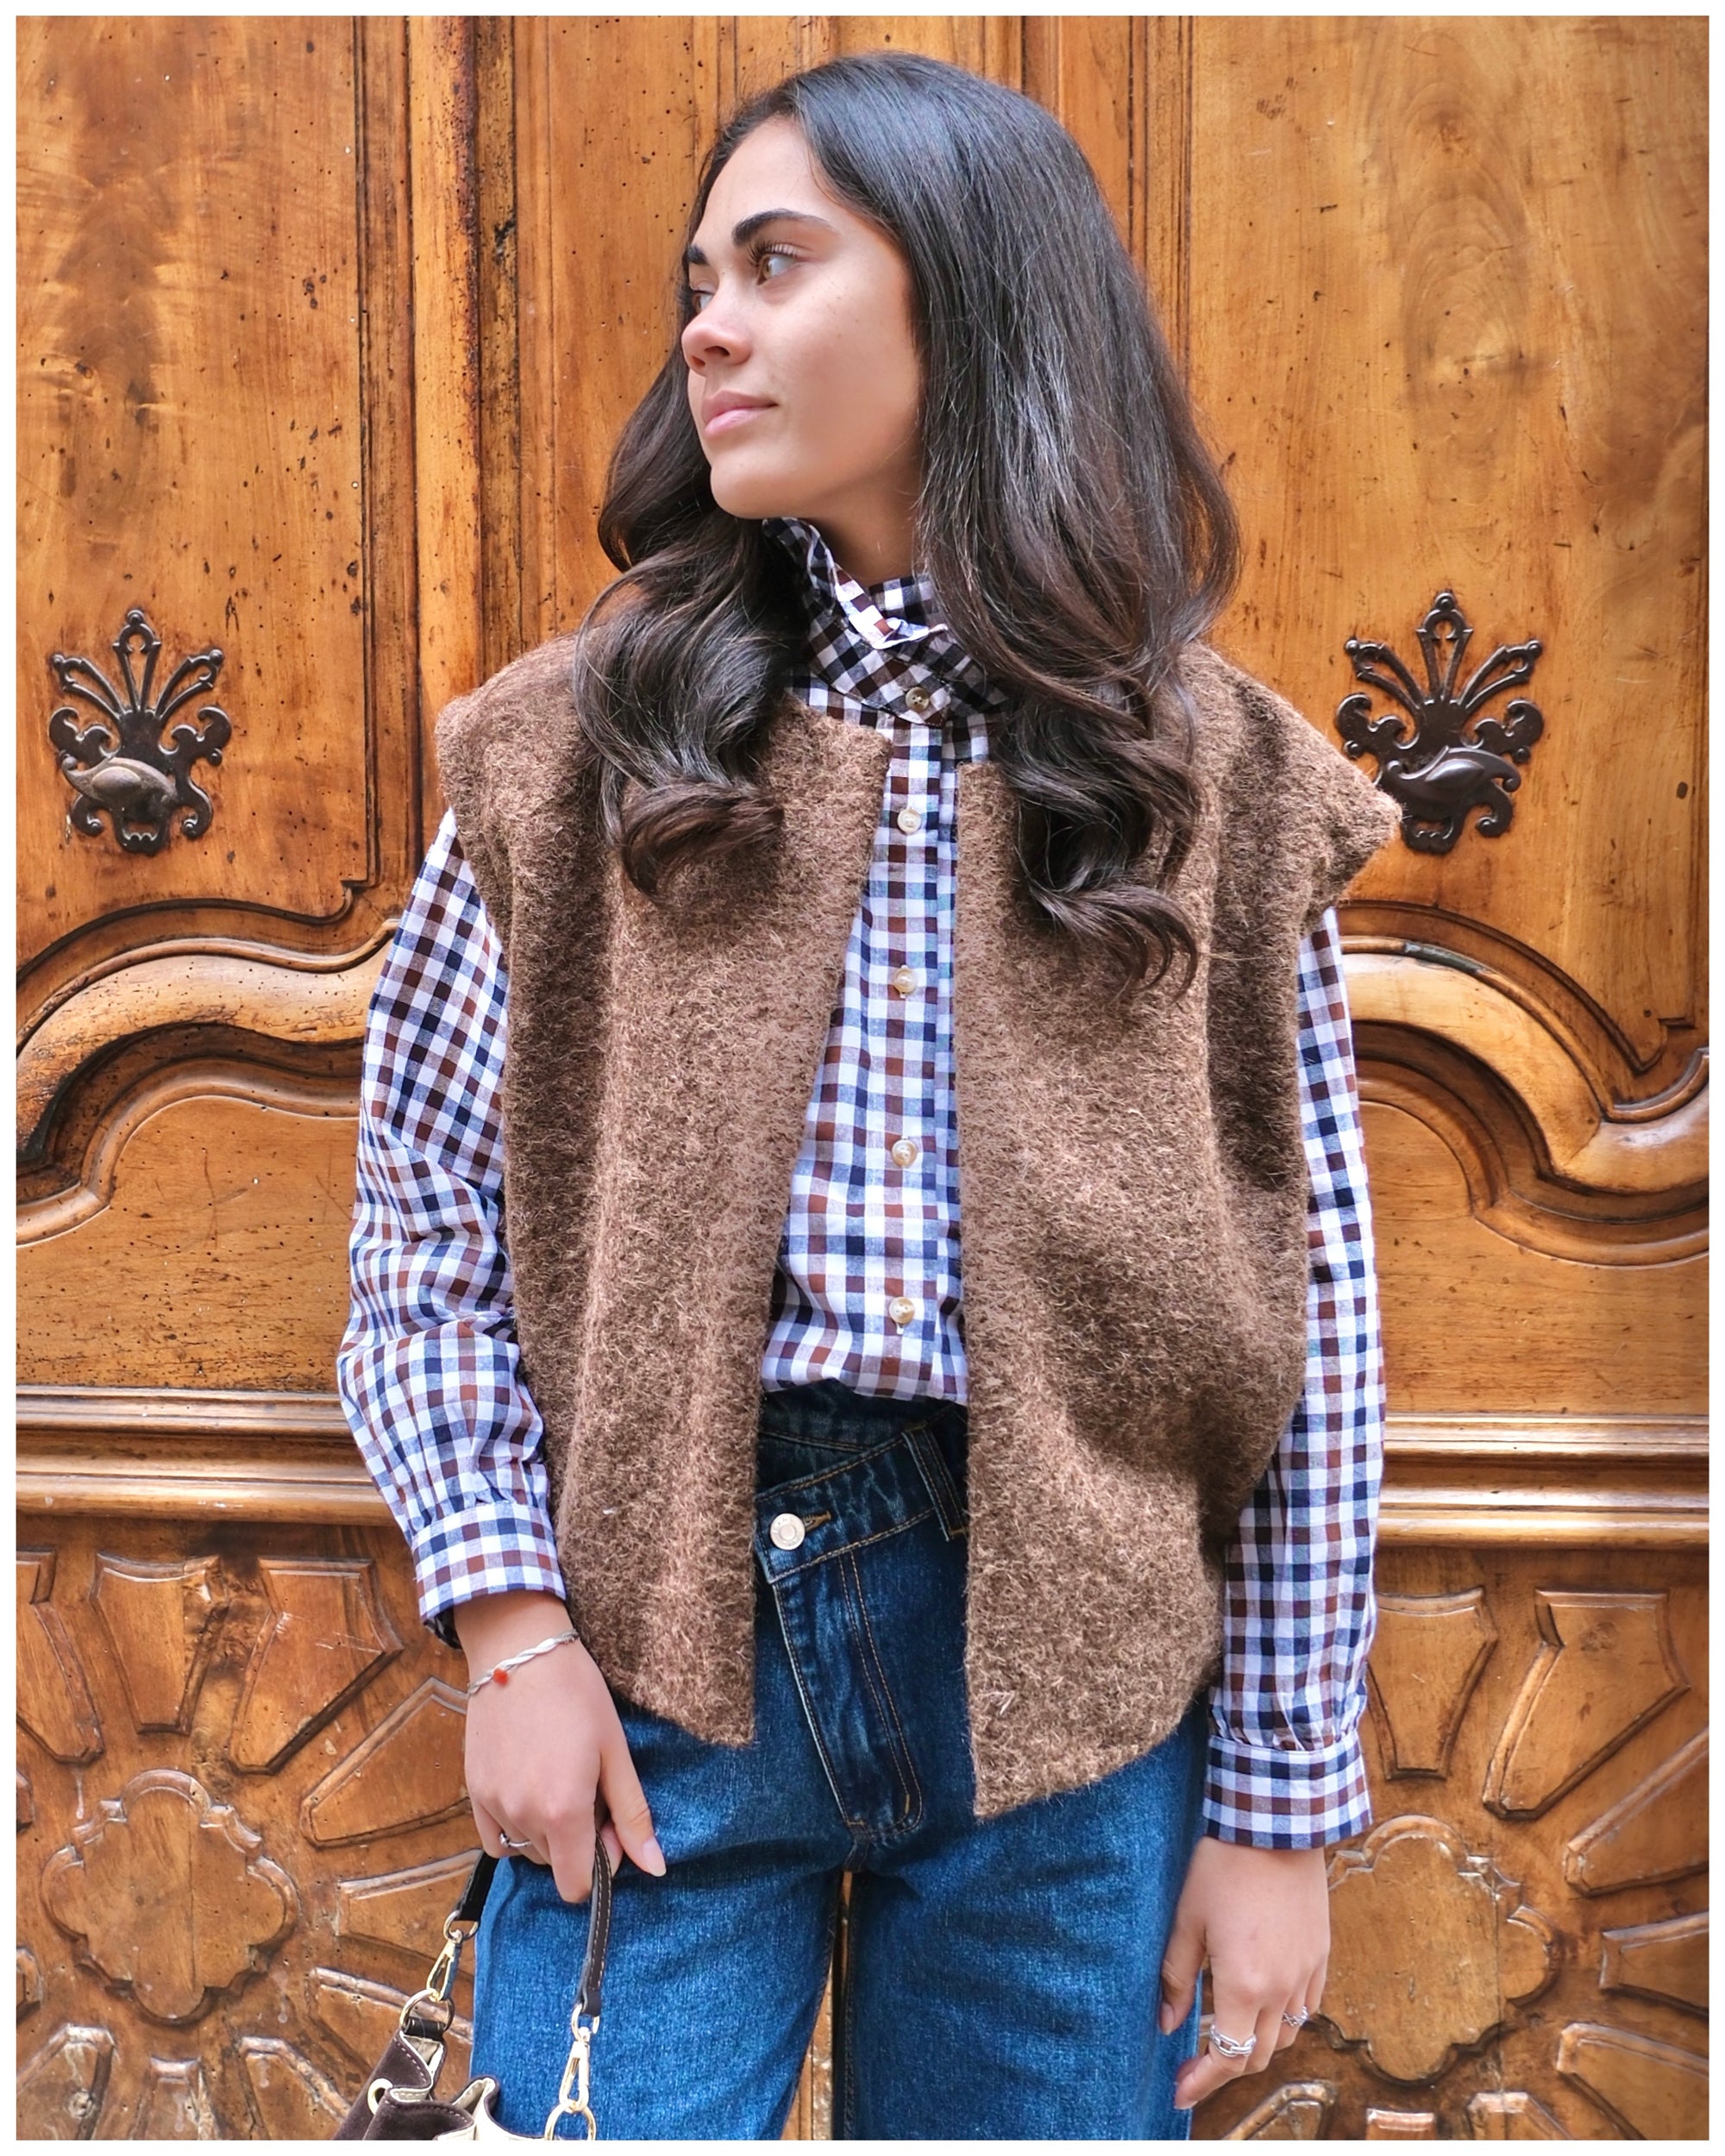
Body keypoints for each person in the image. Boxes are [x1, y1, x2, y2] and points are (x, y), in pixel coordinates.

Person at [337, 50, 1397, 2141]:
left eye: (775, 263)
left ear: (976, 302)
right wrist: (512, 1630)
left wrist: (1278, 1801)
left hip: (1076, 1696)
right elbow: (422, 1220)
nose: (706, 327)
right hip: (657, 1658)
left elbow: (1318, 1320)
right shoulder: (566, 751)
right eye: (694, 282)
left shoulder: (1223, 786)